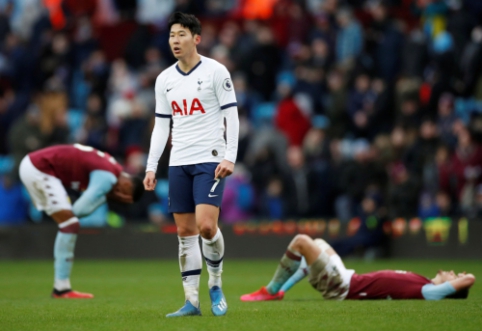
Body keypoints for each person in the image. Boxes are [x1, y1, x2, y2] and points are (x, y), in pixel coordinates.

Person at [143, 12, 239, 317]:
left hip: (210, 158)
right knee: (185, 231)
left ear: (196, 39)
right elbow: (161, 126)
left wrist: (230, 156)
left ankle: (216, 283)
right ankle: (191, 302)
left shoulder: (216, 71)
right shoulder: (164, 79)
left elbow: (231, 116)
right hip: (179, 161)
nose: (175, 40)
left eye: (181, 34)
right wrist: (150, 166)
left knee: (207, 226)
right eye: (172, 35)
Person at [19, 144, 143, 299]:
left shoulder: (113, 168)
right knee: (69, 224)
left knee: (68, 223)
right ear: (126, 185)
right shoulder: (108, 177)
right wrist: (106, 197)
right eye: (122, 197)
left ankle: (61, 288)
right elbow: (78, 210)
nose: (118, 197)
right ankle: (61, 289)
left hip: (35, 165)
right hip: (40, 168)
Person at [240, 234, 476, 301]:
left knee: (301, 242)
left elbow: (470, 280)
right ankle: (281, 291)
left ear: (449, 288)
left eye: (455, 276)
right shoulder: (423, 282)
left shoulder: (428, 292)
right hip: (347, 277)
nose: (454, 273)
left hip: (342, 287)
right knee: (318, 244)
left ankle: (271, 291)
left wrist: (464, 278)